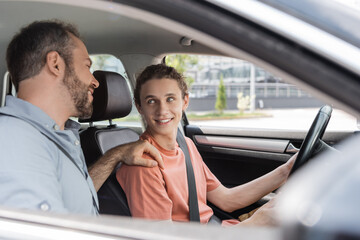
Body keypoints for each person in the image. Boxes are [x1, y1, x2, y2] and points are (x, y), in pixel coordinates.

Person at [0, 20, 163, 215]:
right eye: (87, 66)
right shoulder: (15, 142)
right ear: (56, 64)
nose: (94, 82)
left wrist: (116, 155)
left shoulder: (57, 132)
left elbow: (76, 200)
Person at [116, 64, 296, 226]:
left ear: (185, 101)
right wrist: (254, 224)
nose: (162, 110)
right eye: (151, 101)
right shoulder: (143, 165)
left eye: (170, 99)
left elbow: (226, 200)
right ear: (139, 107)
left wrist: (286, 170)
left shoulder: (186, 145)